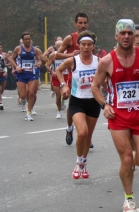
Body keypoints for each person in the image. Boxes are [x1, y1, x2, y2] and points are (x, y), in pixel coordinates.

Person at [91, 19, 139, 212]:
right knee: (127, 158)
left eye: (130, 33)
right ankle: (129, 199)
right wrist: (104, 105)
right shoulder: (107, 61)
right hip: (117, 116)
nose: (127, 36)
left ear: (135, 35)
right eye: (123, 33)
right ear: (116, 36)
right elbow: (95, 86)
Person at [56, 30, 101, 179]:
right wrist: (63, 85)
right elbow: (59, 70)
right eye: (83, 45)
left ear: (93, 46)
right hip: (77, 101)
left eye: (89, 45)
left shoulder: (99, 61)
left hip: (94, 102)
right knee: (82, 132)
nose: (86, 47)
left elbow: (107, 77)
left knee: (88, 136)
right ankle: (77, 161)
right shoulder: (73, 61)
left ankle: (84, 162)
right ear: (79, 46)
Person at [57, 12, 89, 145]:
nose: (82, 25)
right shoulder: (70, 38)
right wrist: (70, 54)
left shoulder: (90, 38)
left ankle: (86, 134)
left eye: (85, 23)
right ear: (75, 24)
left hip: (88, 76)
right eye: (80, 23)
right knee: (73, 103)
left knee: (88, 103)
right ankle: (70, 128)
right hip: (73, 76)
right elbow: (56, 55)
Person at [8, 32, 42, 121]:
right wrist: (16, 67)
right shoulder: (18, 49)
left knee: (31, 93)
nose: (28, 41)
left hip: (31, 73)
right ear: (23, 40)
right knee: (23, 95)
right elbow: (11, 58)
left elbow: (39, 59)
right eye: (26, 39)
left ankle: (29, 113)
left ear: (31, 40)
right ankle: (23, 101)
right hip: (21, 74)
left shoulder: (35, 50)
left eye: (29, 39)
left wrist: (39, 63)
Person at [46, 40, 67, 118]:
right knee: (58, 96)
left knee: (65, 95)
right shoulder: (53, 55)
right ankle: (59, 111)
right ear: (56, 47)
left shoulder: (67, 54)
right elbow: (47, 66)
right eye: (58, 46)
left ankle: (63, 101)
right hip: (56, 77)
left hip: (65, 76)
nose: (60, 48)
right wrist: (52, 72)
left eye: (62, 46)